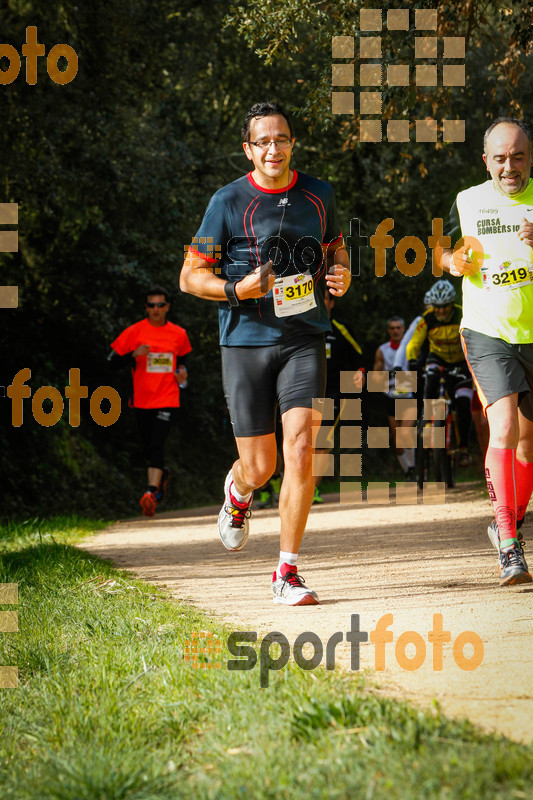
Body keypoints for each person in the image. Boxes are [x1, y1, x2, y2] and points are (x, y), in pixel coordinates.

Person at [180, 101, 351, 605]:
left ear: (293, 142)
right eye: (263, 142)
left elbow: (336, 247)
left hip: (305, 338)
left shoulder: (319, 194)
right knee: (260, 466)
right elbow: (189, 277)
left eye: (282, 139)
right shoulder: (227, 201)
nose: (273, 149)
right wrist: (239, 291)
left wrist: (340, 273)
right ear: (248, 149)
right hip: (245, 342)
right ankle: (238, 491)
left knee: (300, 448)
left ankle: (287, 572)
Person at [441, 117, 533, 586]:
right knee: (504, 428)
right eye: (500, 158)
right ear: (486, 161)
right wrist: (451, 260)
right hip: (487, 331)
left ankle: (506, 523)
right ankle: (511, 548)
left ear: (529, 157)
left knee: (529, 441)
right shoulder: (468, 201)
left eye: (517, 157)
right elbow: (442, 250)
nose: (509, 166)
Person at [108, 286, 192, 516]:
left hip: (167, 399)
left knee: (157, 444)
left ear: (167, 307)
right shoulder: (134, 332)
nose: (156, 309)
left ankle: (150, 492)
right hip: (141, 401)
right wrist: (132, 355)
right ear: (146, 307)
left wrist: (182, 377)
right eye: (151, 305)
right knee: (147, 448)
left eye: (160, 305)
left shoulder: (179, 334)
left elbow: (183, 364)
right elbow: (111, 362)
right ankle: (161, 475)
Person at [406, 279, 473, 464]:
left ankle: (463, 447)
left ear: (452, 304)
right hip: (438, 358)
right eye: (438, 307)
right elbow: (414, 343)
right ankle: (427, 420)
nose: (441, 311)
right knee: (431, 377)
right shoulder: (427, 318)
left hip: (461, 362)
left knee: (463, 403)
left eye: (445, 306)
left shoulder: (463, 313)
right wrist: (412, 361)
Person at [313, 288, 365, 503]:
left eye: (324, 298)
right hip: (303, 393)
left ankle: (310, 490)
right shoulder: (301, 329)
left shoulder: (341, 329)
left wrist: (360, 373)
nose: (321, 302)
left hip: (333, 393)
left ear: (331, 303)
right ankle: (297, 485)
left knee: (320, 441)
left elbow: (359, 356)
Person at [373, 316, 416, 479]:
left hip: (409, 395)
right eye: (392, 328)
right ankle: (409, 472)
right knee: (398, 442)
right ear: (388, 330)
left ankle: (414, 469)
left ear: (403, 329)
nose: (396, 331)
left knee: (405, 433)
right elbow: (376, 376)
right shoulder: (382, 350)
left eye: (398, 327)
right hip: (390, 396)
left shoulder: (411, 346)